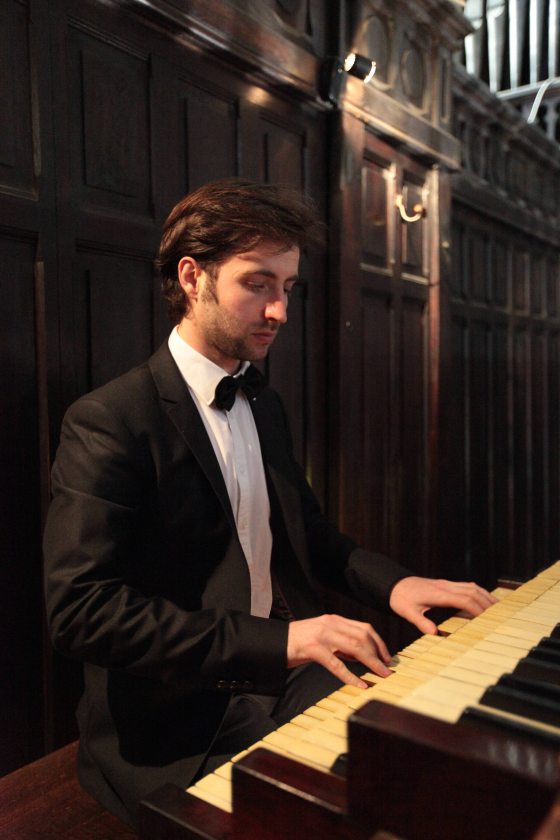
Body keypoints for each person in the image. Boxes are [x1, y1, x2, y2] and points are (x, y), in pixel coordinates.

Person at [43, 178, 495, 827]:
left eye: (286, 288)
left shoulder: (262, 401)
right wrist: (280, 640)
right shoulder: (111, 420)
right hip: (176, 722)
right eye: (259, 283)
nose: (280, 309)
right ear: (193, 277)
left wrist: (397, 585)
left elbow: (308, 535)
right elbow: (81, 614)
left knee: (430, 763)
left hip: (280, 680)